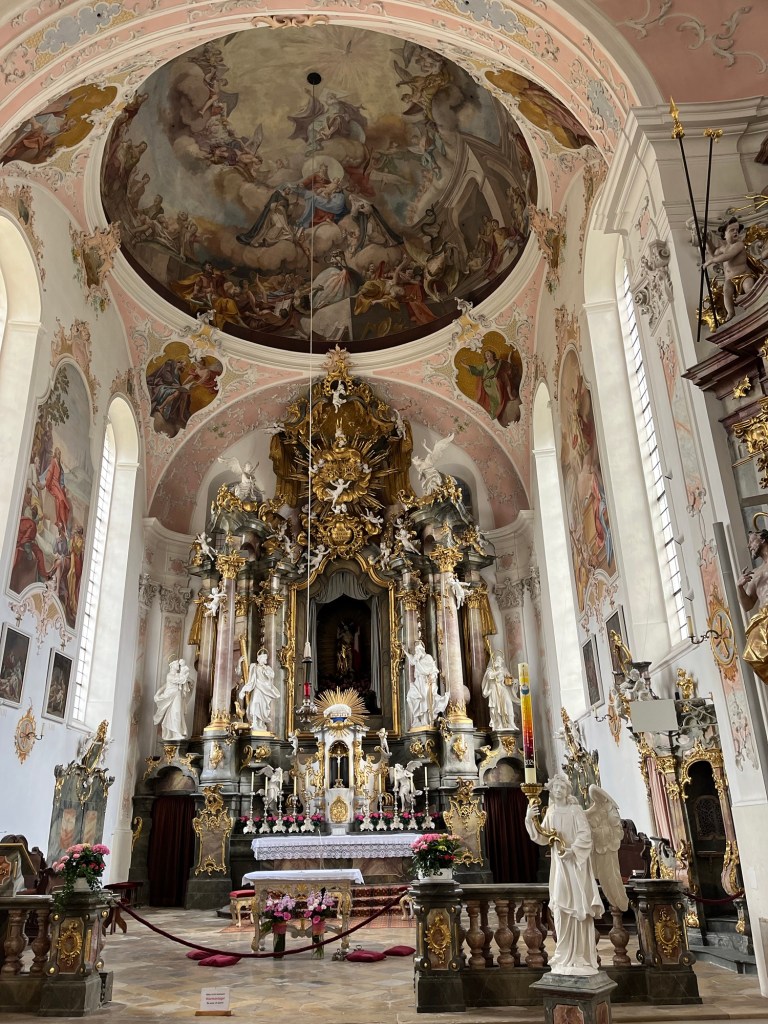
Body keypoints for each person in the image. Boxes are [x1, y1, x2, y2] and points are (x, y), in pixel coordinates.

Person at [525, 773, 603, 975]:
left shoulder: (575, 810)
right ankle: (565, 953)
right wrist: (530, 818)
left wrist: (573, 850)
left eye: (561, 787)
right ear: (551, 791)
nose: (558, 790)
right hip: (560, 866)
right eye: (555, 788)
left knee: (578, 906)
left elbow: (585, 835)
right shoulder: (551, 810)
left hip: (576, 866)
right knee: (560, 905)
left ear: (567, 791)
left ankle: (580, 956)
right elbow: (543, 837)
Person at [702, 217, 764, 321]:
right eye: (732, 230)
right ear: (724, 235)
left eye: (737, 230)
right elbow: (713, 252)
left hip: (744, 275)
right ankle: (730, 313)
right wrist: (707, 241)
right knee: (726, 292)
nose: (736, 232)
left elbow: (728, 256)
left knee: (749, 288)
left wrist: (711, 261)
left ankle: (754, 307)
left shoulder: (739, 244)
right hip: (729, 279)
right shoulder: (723, 248)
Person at [738, 529, 768, 684]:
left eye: (751, 541)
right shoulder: (755, 573)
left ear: (762, 539)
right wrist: (740, 587)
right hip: (764, 617)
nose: (749, 546)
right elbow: (747, 605)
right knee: (752, 652)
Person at [405, 641, 448, 728]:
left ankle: (425, 721)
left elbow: (434, 670)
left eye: (418, 651)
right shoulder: (417, 659)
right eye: (416, 651)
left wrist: (432, 677)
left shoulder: (428, 657)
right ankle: (417, 720)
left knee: (424, 701)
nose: (416, 653)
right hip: (418, 682)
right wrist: (405, 651)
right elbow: (412, 660)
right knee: (410, 697)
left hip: (425, 682)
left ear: (422, 650)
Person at [239, 649, 280, 731]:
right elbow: (245, 676)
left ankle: (261, 723)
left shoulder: (267, 668)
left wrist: (266, 671)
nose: (265, 660)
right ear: (259, 658)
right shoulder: (254, 666)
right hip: (257, 687)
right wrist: (239, 663)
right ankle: (254, 722)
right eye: (263, 658)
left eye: (265, 659)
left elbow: (272, 676)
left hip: (265, 689)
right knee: (255, 703)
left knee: (263, 707)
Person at [153, 659, 192, 741]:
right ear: (172, 666)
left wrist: (184, 670)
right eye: (176, 664)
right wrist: (184, 668)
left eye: (178, 664)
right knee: (175, 713)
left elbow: (165, 686)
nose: (178, 665)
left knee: (178, 712)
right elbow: (181, 679)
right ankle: (174, 733)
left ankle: (176, 733)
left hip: (176, 695)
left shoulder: (177, 675)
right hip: (170, 695)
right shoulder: (170, 675)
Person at [481, 650, 520, 730]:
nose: (499, 662)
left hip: (502, 688)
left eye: (500, 660)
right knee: (496, 706)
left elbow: (509, 678)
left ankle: (511, 723)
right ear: (494, 661)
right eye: (497, 660)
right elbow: (489, 676)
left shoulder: (503, 670)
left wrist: (513, 681)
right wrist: (497, 672)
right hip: (494, 688)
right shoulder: (490, 670)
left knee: (508, 702)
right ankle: (499, 724)